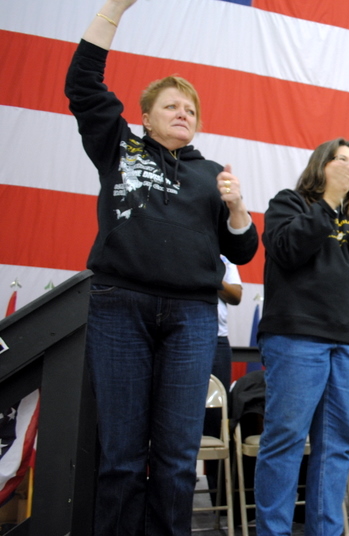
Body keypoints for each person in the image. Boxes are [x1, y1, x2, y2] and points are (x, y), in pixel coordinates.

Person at [64, 1, 259, 534]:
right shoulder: (119, 147)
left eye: (190, 109)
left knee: (176, 459)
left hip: (192, 317)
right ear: (145, 118)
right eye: (171, 106)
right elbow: (82, 85)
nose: (182, 113)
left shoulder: (212, 174)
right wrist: (113, 9)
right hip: (119, 308)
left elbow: (242, 251)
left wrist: (238, 208)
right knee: (121, 457)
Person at [255, 138, 349, 535]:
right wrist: (329, 201)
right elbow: (287, 249)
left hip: (347, 340)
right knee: (286, 439)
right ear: (321, 164)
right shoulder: (289, 202)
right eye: (341, 159)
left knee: (337, 445)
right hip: (297, 337)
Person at [203, 255, 243, 504]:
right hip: (180, 332)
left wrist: (208, 277)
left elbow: (236, 295)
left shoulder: (223, 255)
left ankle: (219, 503)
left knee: (217, 424)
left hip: (217, 340)